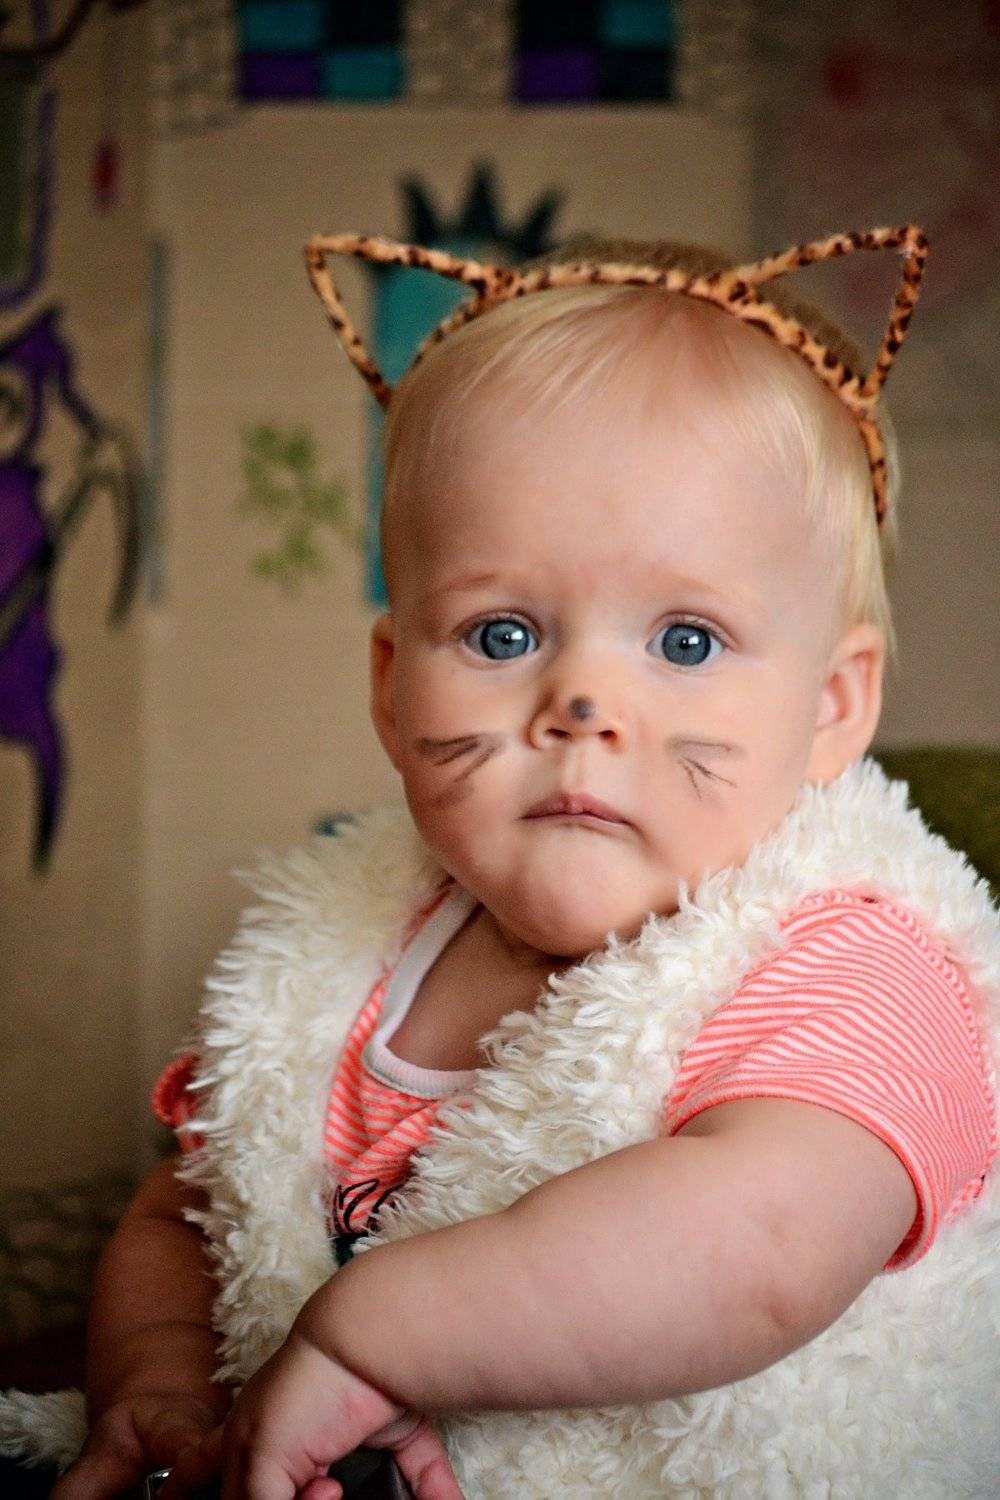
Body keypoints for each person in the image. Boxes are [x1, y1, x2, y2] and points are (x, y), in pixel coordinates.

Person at [9, 228, 999, 1499]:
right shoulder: (345, 953)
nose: (580, 702)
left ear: (831, 704)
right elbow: (188, 1213)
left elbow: (764, 1241)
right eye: (502, 632)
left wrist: (369, 1335)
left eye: (686, 641)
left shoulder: (846, 961)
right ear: (391, 685)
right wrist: (160, 1382)